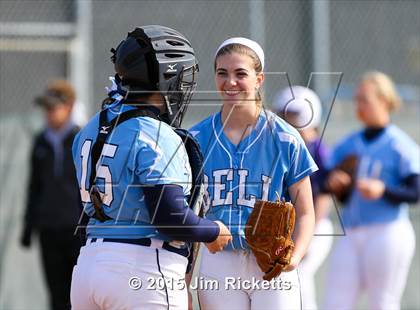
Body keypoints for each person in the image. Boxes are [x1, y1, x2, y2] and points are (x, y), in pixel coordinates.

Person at [70, 25, 232, 310]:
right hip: (142, 269)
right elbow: (169, 218)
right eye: (181, 77)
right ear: (166, 79)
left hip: (87, 267)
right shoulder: (155, 133)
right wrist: (213, 230)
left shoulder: (90, 128)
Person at [190, 37, 317, 309]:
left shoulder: (285, 137)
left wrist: (295, 257)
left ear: (259, 79)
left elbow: (306, 210)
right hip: (219, 260)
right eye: (222, 73)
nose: (230, 82)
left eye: (240, 73)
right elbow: (191, 214)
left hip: (270, 260)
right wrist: (186, 276)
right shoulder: (196, 138)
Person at [323, 71, 419, 310]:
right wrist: (333, 179)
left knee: (383, 303)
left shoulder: (400, 144)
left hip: (387, 231)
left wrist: (383, 190)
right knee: (335, 302)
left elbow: (416, 192)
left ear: (384, 101)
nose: (359, 105)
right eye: (357, 99)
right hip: (351, 231)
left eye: (365, 99)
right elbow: (321, 177)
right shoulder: (349, 142)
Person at [20, 80, 83, 310]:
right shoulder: (41, 141)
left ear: (69, 107)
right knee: (55, 294)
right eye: (46, 109)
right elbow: (34, 186)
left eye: (53, 108)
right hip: (49, 229)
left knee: (78, 294)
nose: (48, 114)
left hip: (76, 230)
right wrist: (28, 226)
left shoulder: (81, 139)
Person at [273, 85, 334, 310]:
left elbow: (324, 194)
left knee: (299, 275)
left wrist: (309, 234)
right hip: (285, 228)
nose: (292, 120)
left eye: (298, 114)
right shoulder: (277, 145)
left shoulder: (316, 148)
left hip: (315, 224)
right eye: (288, 114)